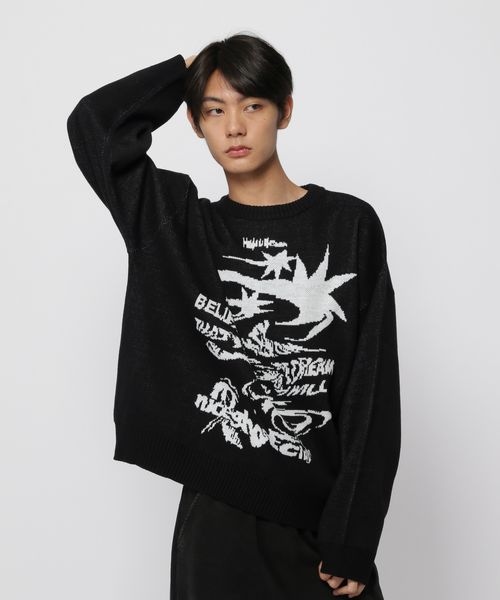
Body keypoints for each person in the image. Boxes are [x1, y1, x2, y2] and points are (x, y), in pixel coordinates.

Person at [67, 32, 401, 599]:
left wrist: (354, 535)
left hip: (319, 532)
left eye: (253, 105)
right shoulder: (176, 227)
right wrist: (186, 69)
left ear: (284, 111)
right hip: (215, 527)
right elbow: (94, 127)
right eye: (215, 111)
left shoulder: (349, 225)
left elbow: (372, 391)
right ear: (196, 124)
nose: (235, 128)